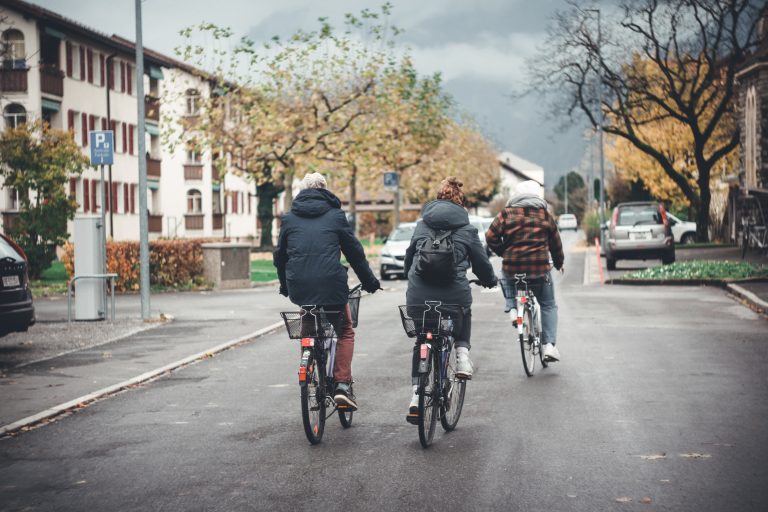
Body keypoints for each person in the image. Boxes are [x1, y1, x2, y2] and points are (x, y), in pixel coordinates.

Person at [273, 172, 380, 410]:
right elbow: (355, 253)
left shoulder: (289, 218)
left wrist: (284, 284)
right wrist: (370, 282)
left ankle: (310, 373)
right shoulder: (335, 215)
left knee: (308, 329)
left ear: (302, 191)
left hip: (300, 286)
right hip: (332, 285)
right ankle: (342, 384)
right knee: (345, 331)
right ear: (325, 190)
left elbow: (280, 257)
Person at [403, 177, 497, 418]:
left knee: (422, 339)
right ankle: (462, 357)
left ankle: (417, 394)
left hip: (418, 295)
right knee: (464, 311)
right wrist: (490, 280)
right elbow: (481, 264)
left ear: (437, 198)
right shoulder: (467, 229)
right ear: (460, 202)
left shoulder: (422, 225)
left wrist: (409, 277)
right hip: (454, 295)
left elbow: (409, 256)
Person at [485, 180, 564, 361]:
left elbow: (490, 236)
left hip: (513, 267)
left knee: (506, 275)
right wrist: (559, 263)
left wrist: (503, 252)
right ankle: (549, 346)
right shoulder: (545, 215)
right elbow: (556, 243)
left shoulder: (506, 214)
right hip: (539, 269)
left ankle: (512, 308)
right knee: (548, 304)